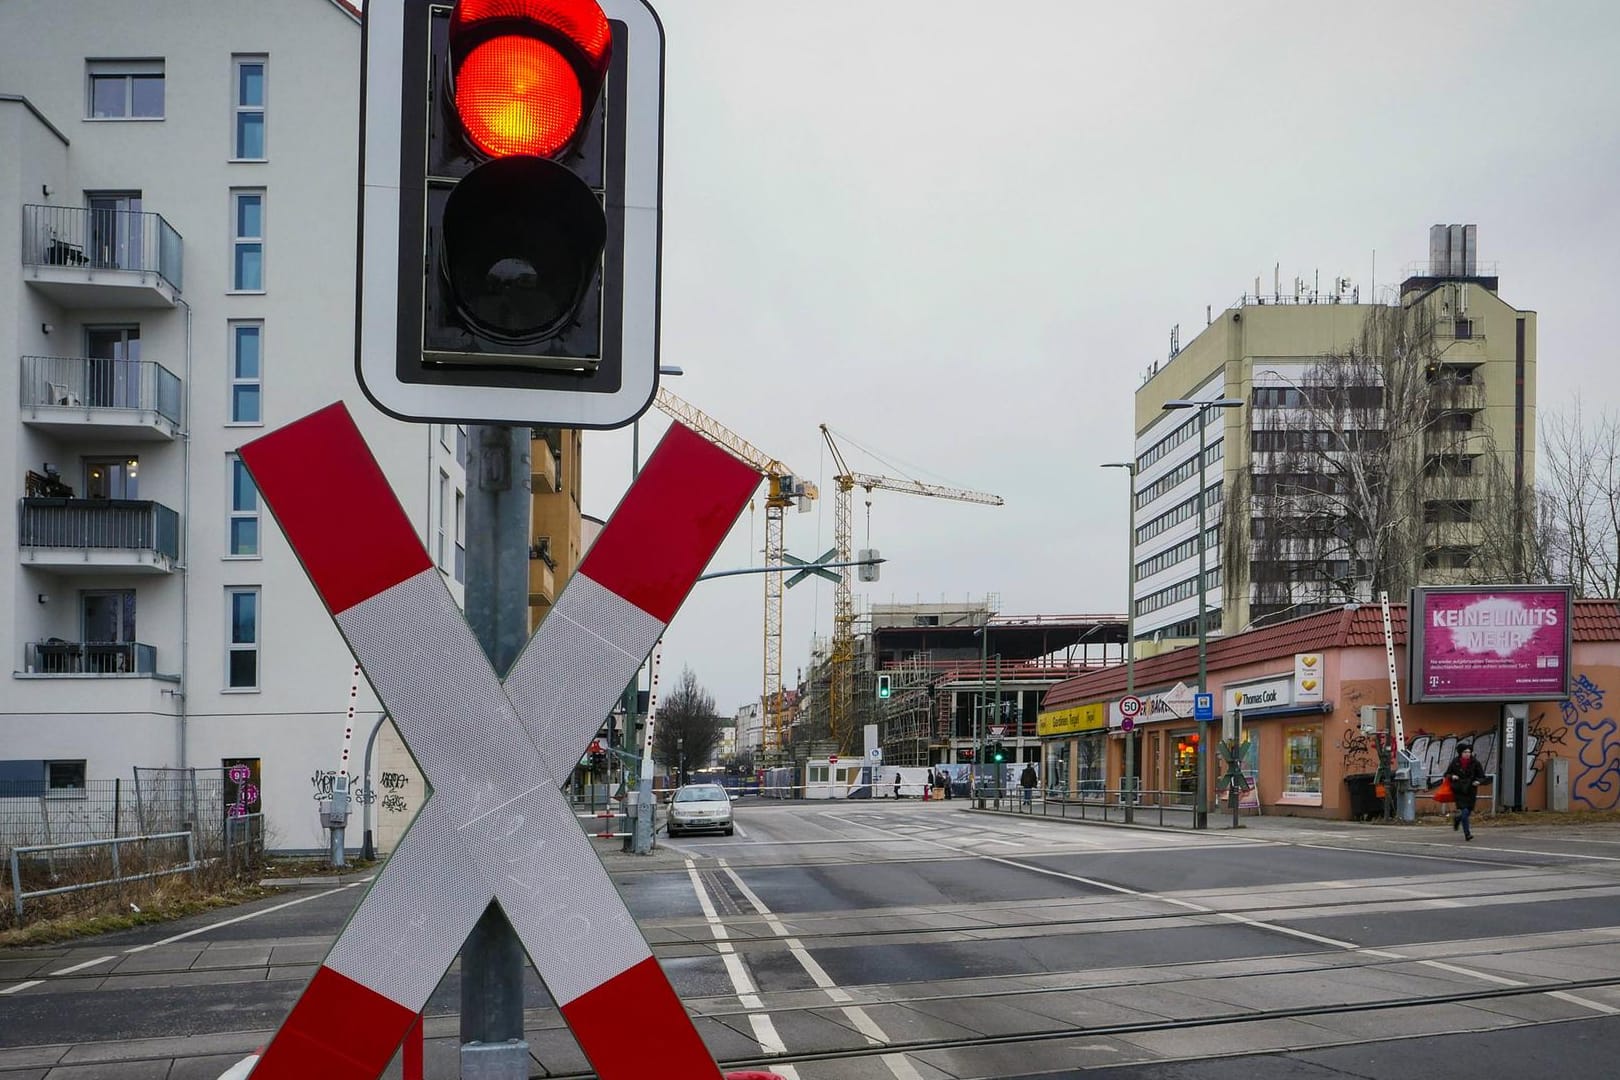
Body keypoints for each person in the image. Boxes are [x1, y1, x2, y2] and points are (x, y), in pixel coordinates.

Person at [1444, 742, 1488, 841]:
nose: (1467, 754)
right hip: (1459, 789)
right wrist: (1452, 776)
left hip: (1471, 790)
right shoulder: (1455, 762)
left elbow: (1482, 777)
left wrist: (1478, 781)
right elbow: (1447, 774)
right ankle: (1467, 834)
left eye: (1469, 752)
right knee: (1464, 811)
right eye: (1465, 752)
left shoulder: (1475, 763)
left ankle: (1457, 819)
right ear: (1460, 753)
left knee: (1467, 811)